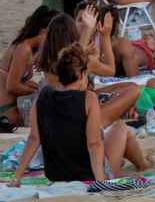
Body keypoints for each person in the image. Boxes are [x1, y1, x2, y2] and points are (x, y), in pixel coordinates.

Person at [11, 45, 147, 186]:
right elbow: (94, 144)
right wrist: (100, 181)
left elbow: (34, 139)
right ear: (82, 75)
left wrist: (17, 177)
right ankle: (144, 166)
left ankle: (143, 165)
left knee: (114, 136)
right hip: (85, 174)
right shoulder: (88, 98)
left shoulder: (43, 95)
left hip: (56, 174)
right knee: (121, 127)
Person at [37, 12, 140, 128]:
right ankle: (102, 121)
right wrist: (105, 36)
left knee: (126, 86)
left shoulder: (47, 60)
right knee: (133, 90)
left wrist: (89, 53)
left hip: (58, 111)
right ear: (73, 34)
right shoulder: (78, 60)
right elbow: (110, 70)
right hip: (78, 115)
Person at [0, 6, 58, 126]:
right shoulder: (23, 49)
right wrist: (38, 91)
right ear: (43, 32)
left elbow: (18, 79)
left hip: (10, 104)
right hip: (5, 109)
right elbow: (12, 86)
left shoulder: (29, 47)